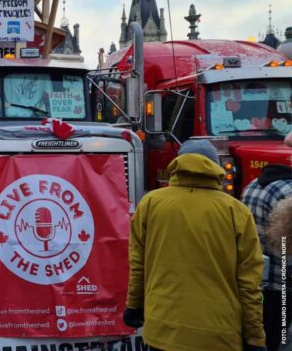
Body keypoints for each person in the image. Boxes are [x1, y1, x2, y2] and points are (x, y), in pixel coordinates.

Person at [124, 139, 266, 351]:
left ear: (177, 165)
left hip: (162, 328)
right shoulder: (235, 211)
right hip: (219, 333)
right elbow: (249, 283)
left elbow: (138, 264)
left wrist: (134, 306)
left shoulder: (151, 203)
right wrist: (255, 337)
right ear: (215, 167)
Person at [242, 164, 292, 351]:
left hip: (256, 279)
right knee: (280, 338)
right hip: (283, 282)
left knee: (260, 335)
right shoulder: (289, 191)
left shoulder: (252, 186)